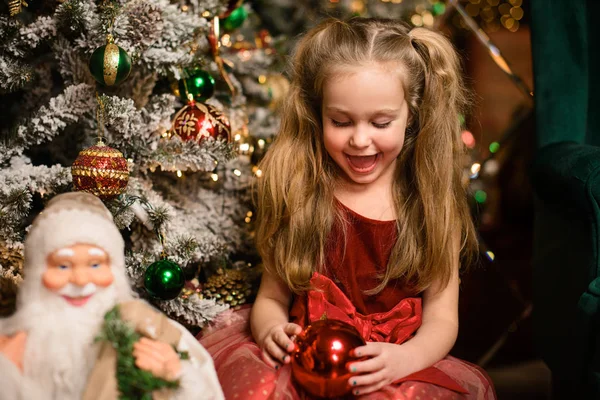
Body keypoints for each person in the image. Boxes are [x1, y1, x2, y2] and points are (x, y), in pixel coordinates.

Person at [199, 17, 496, 399]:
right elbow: (271, 298)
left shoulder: (430, 206)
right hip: (302, 364)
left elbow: (442, 319)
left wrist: (406, 359)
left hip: (392, 368)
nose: (359, 139)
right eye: (340, 121)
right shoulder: (303, 192)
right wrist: (271, 329)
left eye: (381, 122)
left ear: (412, 117)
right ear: (317, 113)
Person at [0, 192, 225, 400]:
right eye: (63, 266)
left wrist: (177, 374)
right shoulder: (14, 346)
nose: (80, 280)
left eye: (95, 264)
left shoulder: (151, 329)